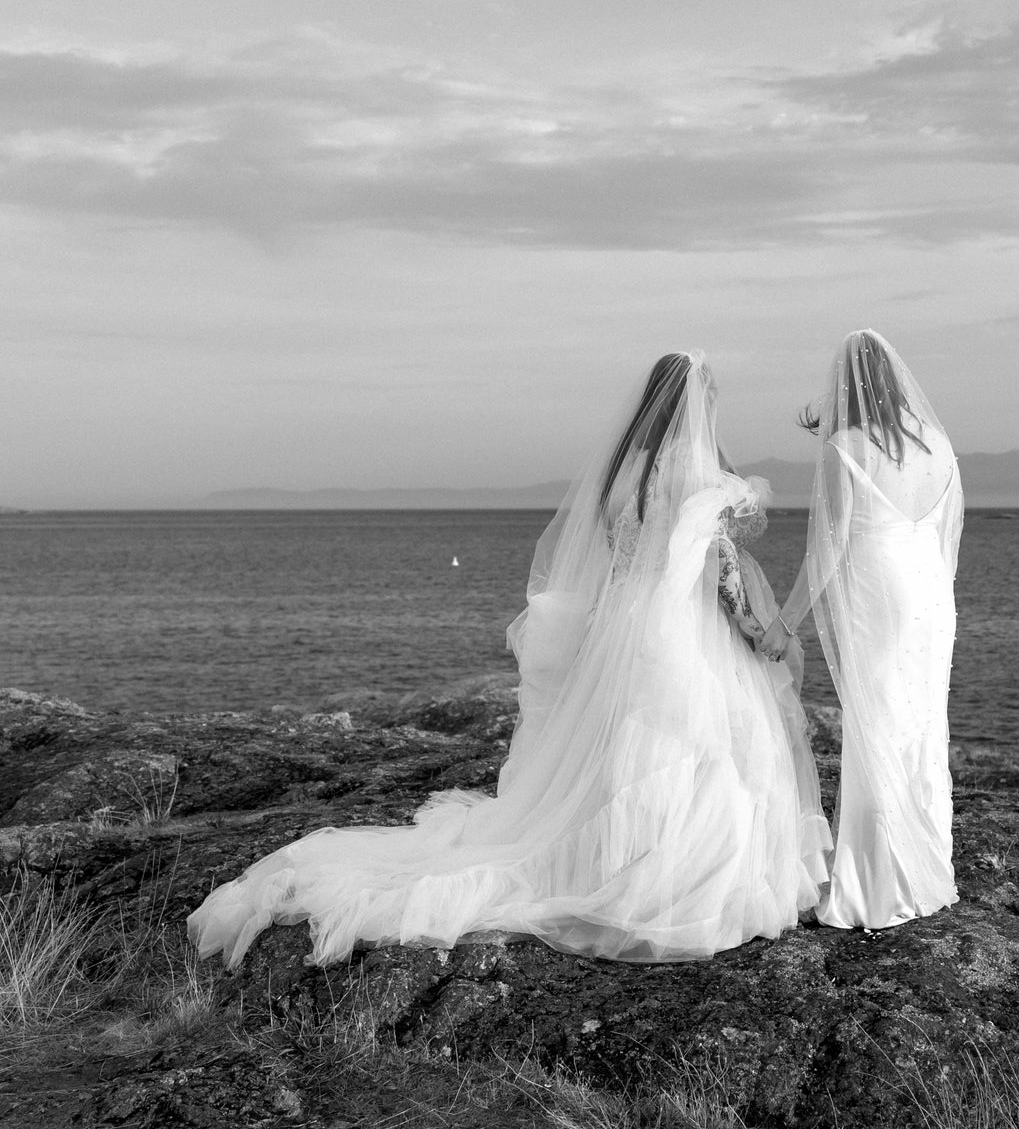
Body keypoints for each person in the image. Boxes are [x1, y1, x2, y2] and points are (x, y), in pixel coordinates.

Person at [188, 352, 830, 969]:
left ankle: (622, 864)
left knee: (626, 757)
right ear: (697, 406)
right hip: (686, 640)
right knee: (695, 753)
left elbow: (616, 568)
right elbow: (723, 574)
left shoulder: (622, 477)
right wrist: (763, 633)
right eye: (710, 400)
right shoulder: (700, 479)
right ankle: (670, 881)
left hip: (626, 633)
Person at [762, 330, 963, 929]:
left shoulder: (846, 447)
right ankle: (926, 870)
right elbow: (949, 530)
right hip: (932, 597)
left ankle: (879, 887)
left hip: (882, 593)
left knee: (877, 722)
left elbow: (826, 549)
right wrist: (934, 596)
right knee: (922, 724)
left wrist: (785, 622)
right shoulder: (940, 445)